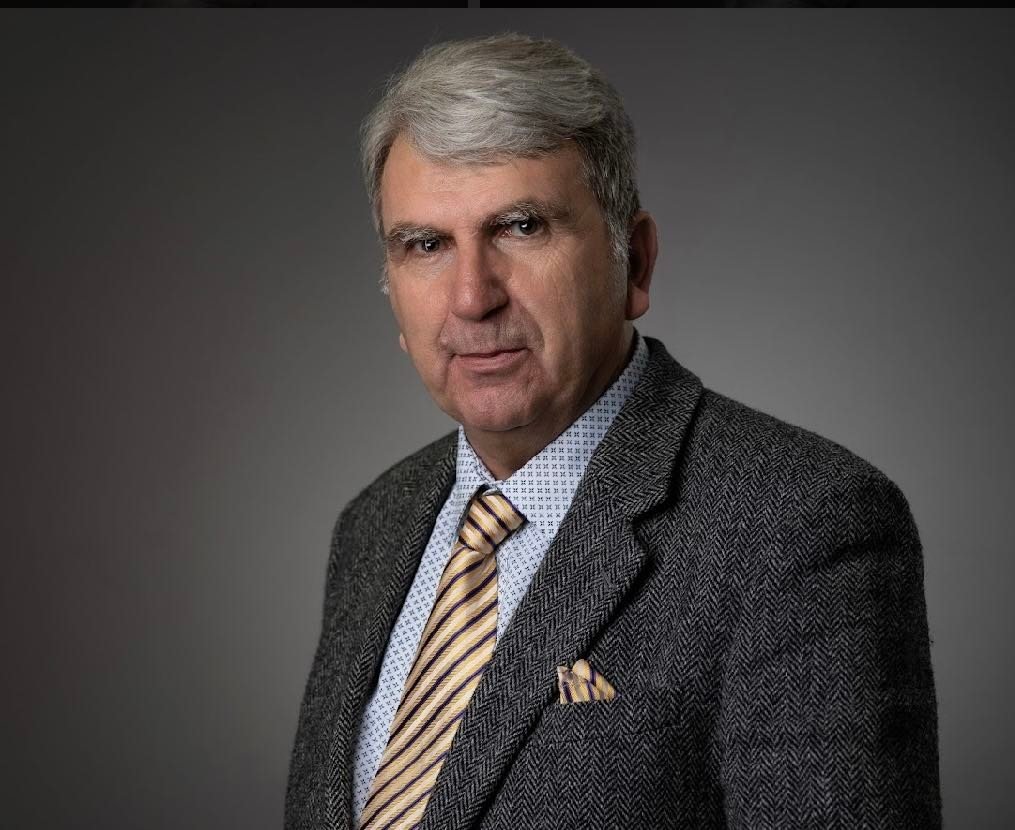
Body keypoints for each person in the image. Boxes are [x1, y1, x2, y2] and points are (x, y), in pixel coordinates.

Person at [285, 32, 941, 830]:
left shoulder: (800, 524)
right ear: (392, 288)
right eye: (425, 245)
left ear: (635, 264)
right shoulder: (375, 525)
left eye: (520, 227)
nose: (470, 297)